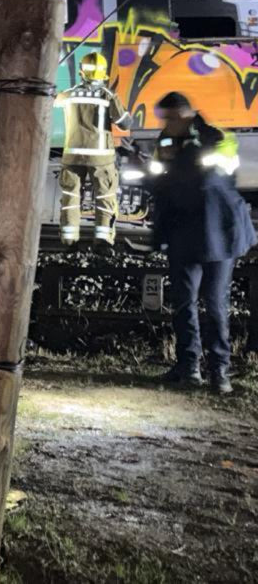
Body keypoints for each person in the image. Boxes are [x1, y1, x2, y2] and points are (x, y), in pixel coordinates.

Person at [149, 91, 255, 394]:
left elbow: (210, 178)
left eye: (168, 118)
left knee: (215, 303)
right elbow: (161, 181)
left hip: (217, 232)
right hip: (186, 232)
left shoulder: (218, 137)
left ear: (184, 114)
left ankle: (219, 372)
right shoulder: (166, 141)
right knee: (184, 303)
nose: (165, 125)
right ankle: (188, 366)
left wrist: (178, 163)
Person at [55, 52, 131, 248]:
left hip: (72, 156)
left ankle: (69, 240)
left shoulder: (69, 94)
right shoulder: (107, 96)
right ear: (103, 73)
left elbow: (53, 102)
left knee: (70, 197)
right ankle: (103, 242)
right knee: (104, 197)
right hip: (101, 158)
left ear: (82, 71)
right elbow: (125, 123)